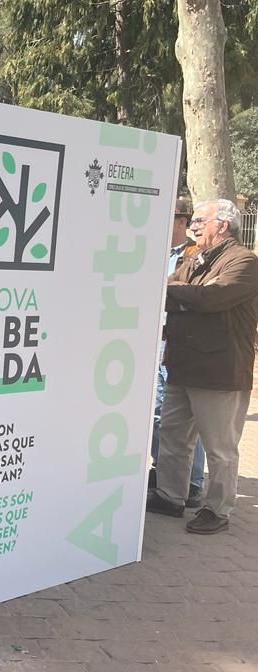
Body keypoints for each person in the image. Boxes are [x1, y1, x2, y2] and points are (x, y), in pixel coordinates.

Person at [147, 199, 258, 535]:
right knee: (173, 435)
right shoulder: (194, 257)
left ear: (222, 224)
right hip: (183, 364)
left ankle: (218, 510)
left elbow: (213, 298)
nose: (193, 225)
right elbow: (169, 292)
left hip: (219, 371)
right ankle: (171, 495)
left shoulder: (245, 261)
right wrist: (187, 294)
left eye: (199, 220)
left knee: (219, 446)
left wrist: (183, 294)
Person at [150, 198, 205, 505]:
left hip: (178, 343)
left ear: (182, 221)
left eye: (168, 217)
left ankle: (193, 481)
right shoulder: (154, 250)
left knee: (188, 415)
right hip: (153, 341)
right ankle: (165, 472)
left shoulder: (195, 255)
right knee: (161, 413)